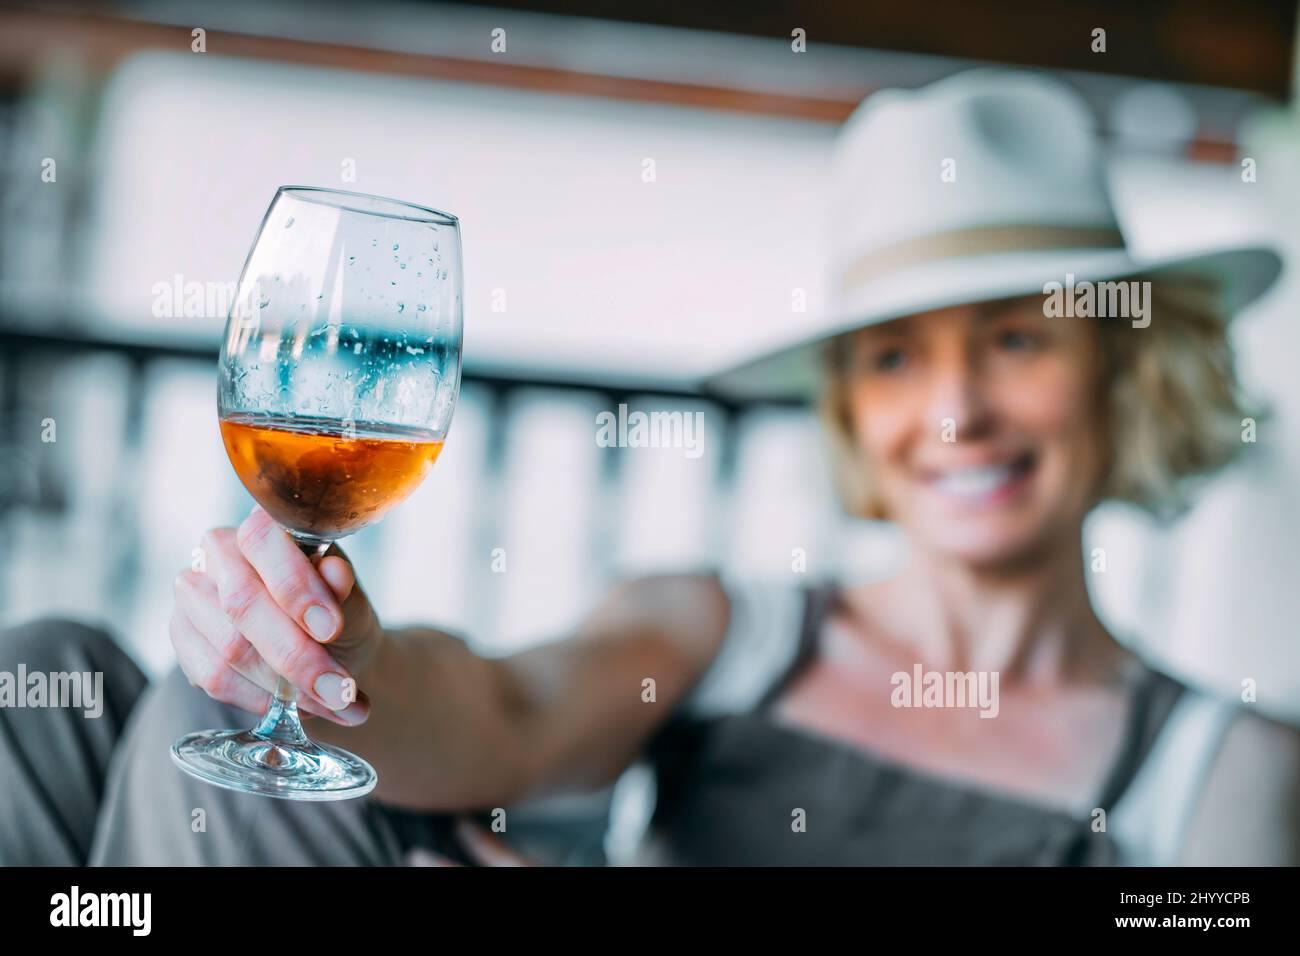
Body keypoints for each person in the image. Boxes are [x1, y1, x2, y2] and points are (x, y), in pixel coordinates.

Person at [3, 69, 1298, 866]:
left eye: (1016, 339)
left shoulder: (1220, 767)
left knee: (190, 731)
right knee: (54, 678)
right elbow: (506, 713)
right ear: (852, 410)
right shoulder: (723, 626)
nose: (953, 408)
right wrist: (343, 665)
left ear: (1128, 368)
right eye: (895, 361)